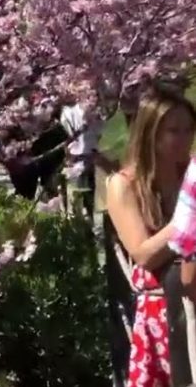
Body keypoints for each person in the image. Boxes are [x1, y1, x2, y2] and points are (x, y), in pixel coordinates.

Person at [108, 84, 196, 386]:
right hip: (162, 314)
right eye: (174, 131)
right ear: (152, 133)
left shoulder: (190, 174)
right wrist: (188, 215)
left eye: (189, 130)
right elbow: (144, 254)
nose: (184, 139)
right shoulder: (124, 185)